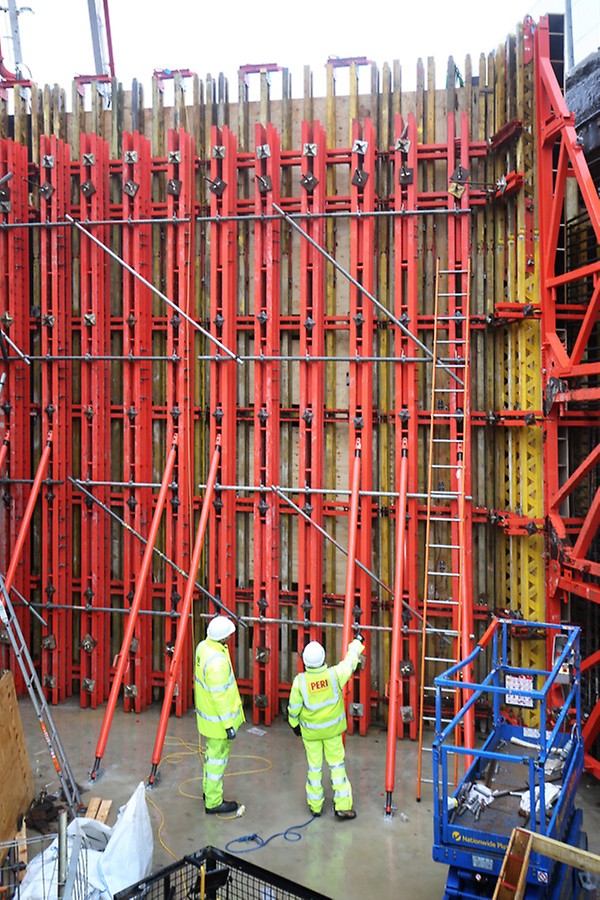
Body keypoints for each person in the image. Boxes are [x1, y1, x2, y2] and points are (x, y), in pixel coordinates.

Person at [287, 634, 365, 820]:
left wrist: (294, 725)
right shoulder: (334, 675)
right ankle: (343, 806)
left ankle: (315, 806)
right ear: (323, 658)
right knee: (337, 766)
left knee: (314, 768)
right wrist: (357, 642)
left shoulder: (300, 682)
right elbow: (350, 662)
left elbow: (293, 708)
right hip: (332, 732)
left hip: (311, 734)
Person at [194, 615, 245, 814]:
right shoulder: (217, 663)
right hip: (219, 723)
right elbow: (220, 697)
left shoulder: (204, 647)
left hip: (208, 717)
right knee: (217, 760)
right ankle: (214, 802)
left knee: (211, 756)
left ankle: (208, 791)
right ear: (223, 638)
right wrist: (229, 726)